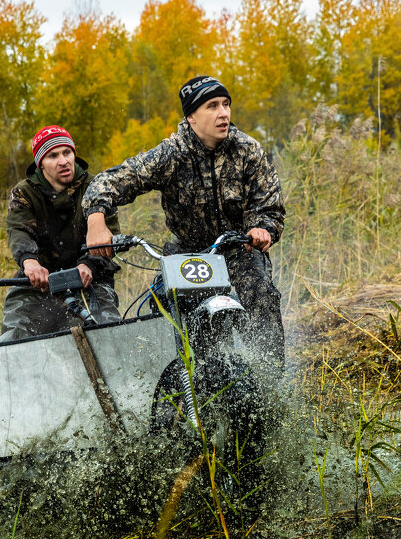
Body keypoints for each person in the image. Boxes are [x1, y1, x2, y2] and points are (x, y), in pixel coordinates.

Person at [82, 75, 286, 366]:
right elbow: (110, 181)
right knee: (159, 307)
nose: (223, 113)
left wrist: (262, 229)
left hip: (239, 249)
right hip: (187, 253)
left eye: (226, 104)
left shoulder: (247, 150)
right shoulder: (171, 153)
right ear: (191, 116)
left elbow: (271, 207)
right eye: (212, 106)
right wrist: (96, 220)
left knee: (262, 294)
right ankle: (171, 386)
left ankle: (270, 380)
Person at [0, 125, 121, 341]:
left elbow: (109, 235)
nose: (63, 161)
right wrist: (30, 263)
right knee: (14, 337)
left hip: (90, 279)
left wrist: (88, 264)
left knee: (109, 332)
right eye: (53, 155)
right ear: (41, 164)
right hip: (39, 283)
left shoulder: (96, 187)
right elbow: (19, 231)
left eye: (67, 152)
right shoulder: (24, 193)